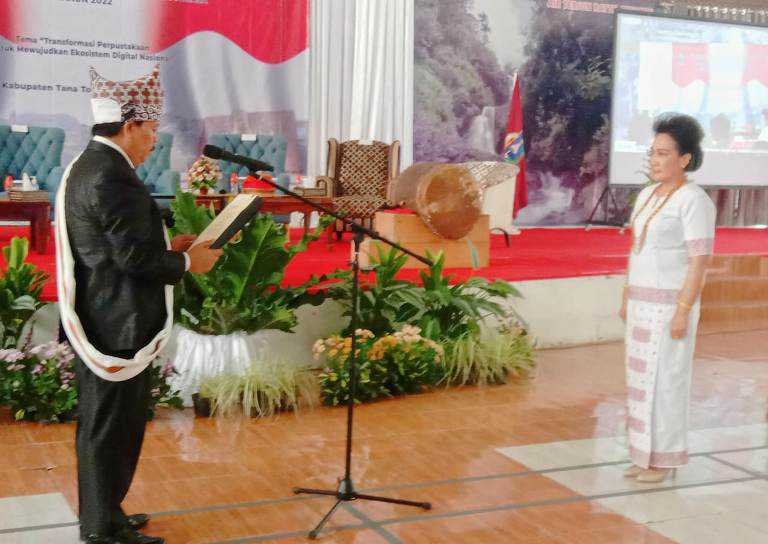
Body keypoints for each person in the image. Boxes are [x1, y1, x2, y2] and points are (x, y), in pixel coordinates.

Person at [55, 65, 222, 544]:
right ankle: (102, 528)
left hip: (105, 314)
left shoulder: (92, 164)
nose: (153, 140)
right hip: (115, 322)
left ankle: (106, 514)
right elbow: (131, 258)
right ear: (129, 126)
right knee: (111, 429)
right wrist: (187, 263)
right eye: (150, 129)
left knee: (110, 426)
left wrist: (173, 246)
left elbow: (119, 242)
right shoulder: (110, 175)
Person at [619, 113, 716, 484]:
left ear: (685, 158)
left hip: (671, 308)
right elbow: (636, 250)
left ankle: (666, 459)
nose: (654, 160)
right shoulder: (647, 195)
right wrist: (626, 294)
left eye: (663, 153)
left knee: (667, 382)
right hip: (641, 305)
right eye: (652, 152)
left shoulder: (694, 201)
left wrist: (683, 310)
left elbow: (699, 261)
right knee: (640, 382)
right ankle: (643, 455)